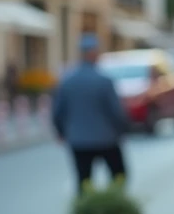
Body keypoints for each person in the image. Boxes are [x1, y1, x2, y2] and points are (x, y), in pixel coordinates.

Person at [53, 33, 129, 192]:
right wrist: (122, 130)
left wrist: (61, 132)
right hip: (106, 139)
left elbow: (58, 112)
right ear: (93, 53)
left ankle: (87, 206)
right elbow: (116, 112)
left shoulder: (67, 81)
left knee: (84, 181)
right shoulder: (104, 81)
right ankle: (114, 203)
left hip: (79, 140)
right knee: (119, 175)